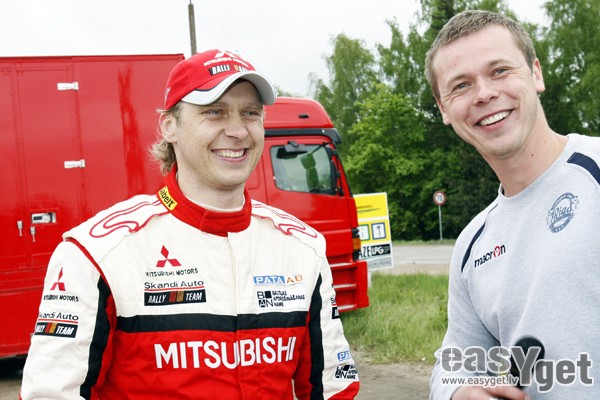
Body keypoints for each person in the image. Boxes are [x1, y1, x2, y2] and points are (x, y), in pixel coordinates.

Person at [20, 49, 360, 400]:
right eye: (214, 112)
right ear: (170, 127)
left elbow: (334, 389)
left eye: (250, 113)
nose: (237, 131)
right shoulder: (96, 253)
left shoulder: (303, 248)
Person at [425, 10, 600, 400]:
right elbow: (455, 365)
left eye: (500, 70)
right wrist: (459, 393)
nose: (484, 94)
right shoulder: (472, 245)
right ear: (443, 109)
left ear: (536, 73)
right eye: (461, 85)